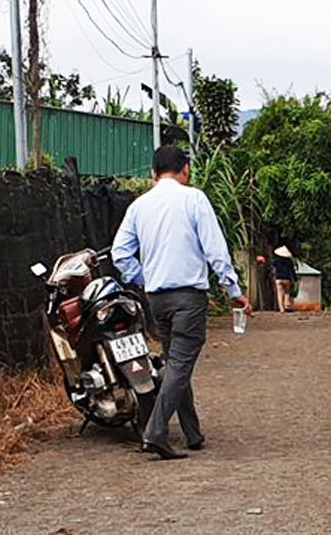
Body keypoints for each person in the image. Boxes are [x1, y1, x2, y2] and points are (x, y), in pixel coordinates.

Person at [112, 145, 253, 460]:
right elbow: (215, 249)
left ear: (153, 173)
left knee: (176, 360)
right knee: (179, 364)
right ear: (185, 170)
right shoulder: (194, 199)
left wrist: (145, 278)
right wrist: (234, 290)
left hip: (156, 299)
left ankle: (193, 434)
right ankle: (156, 431)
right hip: (188, 297)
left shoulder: (139, 206)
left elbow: (120, 252)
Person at [272, 245, 298, 314]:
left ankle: (281, 309)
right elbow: (292, 271)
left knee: (280, 294)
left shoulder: (276, 261)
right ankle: (287, 306)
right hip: (287, 279)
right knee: (287, 293)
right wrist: (295, 279)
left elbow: (273, 267)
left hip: (278, 279)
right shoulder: (289, 261)